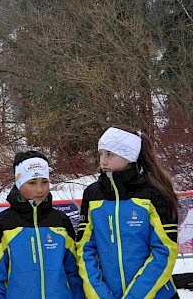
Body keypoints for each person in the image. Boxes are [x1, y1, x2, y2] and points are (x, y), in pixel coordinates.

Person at [76, 126, 179, 298]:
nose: (103, 161)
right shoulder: (92, 195)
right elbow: (85, 249)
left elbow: (164, 251)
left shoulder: (155, 193)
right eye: (101, 153)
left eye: (110, 154)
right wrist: (99, 294)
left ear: (129, 157)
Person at [0, 150, 84, 298]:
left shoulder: (61, 220)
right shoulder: (3, 223)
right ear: (19, 183)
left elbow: (74, 271)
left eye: (44, 182)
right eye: (32, 183)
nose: (39, 189)